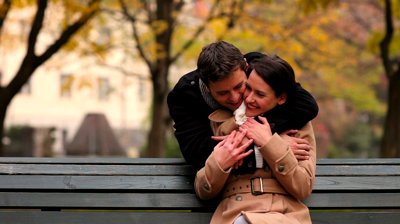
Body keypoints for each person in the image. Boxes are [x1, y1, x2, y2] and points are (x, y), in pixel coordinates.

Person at [195, 54, 316, 224]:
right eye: (248, 88)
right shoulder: (220, 123)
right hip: (235, 213)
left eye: (260, 94)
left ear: (281, 98)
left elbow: (303, 187)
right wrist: (220, 164)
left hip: (285, 214)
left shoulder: (298, 126)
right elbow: (203, 190)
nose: (248, 99)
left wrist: (270, 144)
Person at [167, 41, 318, 171]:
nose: (235, 98)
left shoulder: (257, 65)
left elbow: (306, 104)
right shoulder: (183, 96)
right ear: (207, 86)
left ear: (246, 68)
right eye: (222, 93)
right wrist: (271, 146)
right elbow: (198, 154)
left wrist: (260, 133)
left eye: (239, 86)